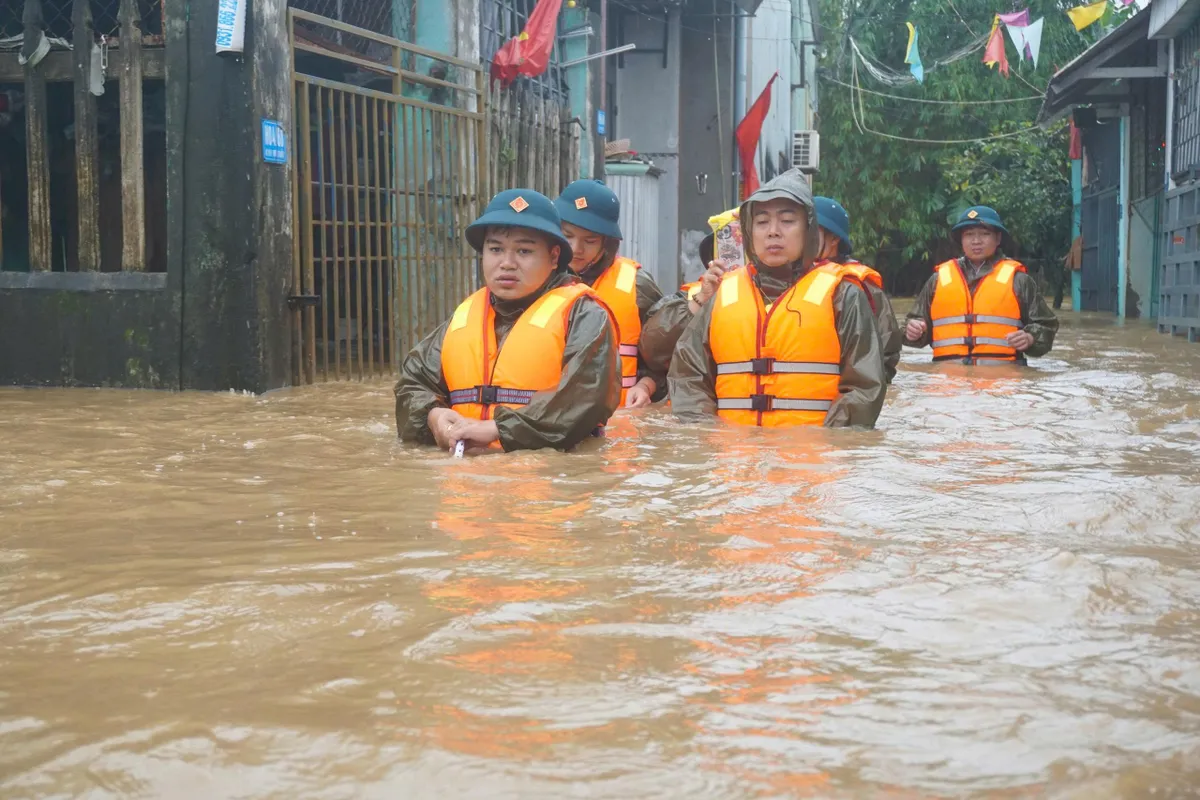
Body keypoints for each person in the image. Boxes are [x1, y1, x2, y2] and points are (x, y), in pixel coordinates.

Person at [394, 189, 621, 452]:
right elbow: (413, 383)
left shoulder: (585, 315)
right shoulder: (466, 316)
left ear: (554, 257)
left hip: (547, 479)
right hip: (467, 476)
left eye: (524, 251)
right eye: (495, 249)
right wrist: (434, 416)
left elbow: (585, 398)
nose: (507, 263)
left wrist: (495, 429)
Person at [668, 169, 887, 428]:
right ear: (749, 232)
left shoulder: (844, 295)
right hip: (734, 458)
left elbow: (864, 388)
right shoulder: (722, 294)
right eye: (761, 222)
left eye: (787, 221)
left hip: (811, 458)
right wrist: (709, 434)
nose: (773, 232)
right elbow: (687, 375)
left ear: (808, 230)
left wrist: (828, 445)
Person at [553, 180, 664, 407]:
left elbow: (666, 361)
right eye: (568, 236)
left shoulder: (638, 285)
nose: (576, 249)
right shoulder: (535, 280)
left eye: (590, 241)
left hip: (617, 423)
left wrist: (646, 386)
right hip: (548, 422)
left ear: (607, 243)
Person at [904, 206, 1058, 365]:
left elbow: (1046, 325)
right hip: (948, 382)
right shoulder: (937, 280)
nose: (976, 241)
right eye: (969, 235)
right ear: (961, 240)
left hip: (1002, 381)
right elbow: (912, 324)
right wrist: (913, 331)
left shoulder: (1019, 280)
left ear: (998, 239)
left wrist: (1030, 337)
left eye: (985, 234)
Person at [812, 196, 903, 384]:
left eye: (811, 230)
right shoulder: (786, 279)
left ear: (834, 238)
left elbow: (887, 349)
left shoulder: (859, 285)